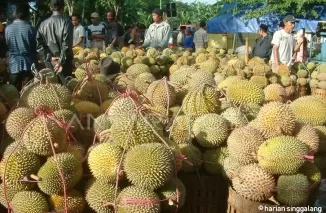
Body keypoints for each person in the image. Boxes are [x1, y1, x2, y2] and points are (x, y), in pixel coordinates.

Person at [36, 0, 73, 85]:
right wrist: (60, 62)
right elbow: (66, 44)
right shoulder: (66, 22)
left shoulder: (42, 24)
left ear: (50, 8)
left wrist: (50, 58)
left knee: (52, 89)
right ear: (63, 8)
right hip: (64, 62)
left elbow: (39, 45)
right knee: (65, 90)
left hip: (50, 62)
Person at [5, 4, 36, 91]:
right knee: (28, 91)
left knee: (13, 91)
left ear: (16, 14)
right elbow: (34, 47)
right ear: (27, 14)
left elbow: (8, 44)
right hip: (28, 63)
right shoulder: (30, 28)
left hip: (14, 63)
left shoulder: (8, 28)